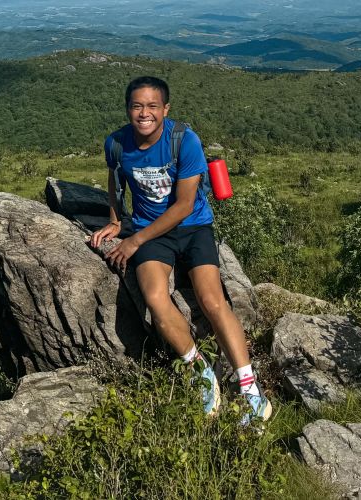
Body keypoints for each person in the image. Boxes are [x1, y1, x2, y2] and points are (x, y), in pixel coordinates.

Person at [91, 76, 271, 424]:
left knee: (212, 300)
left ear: (166, 109)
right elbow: (115, 179)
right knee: (156, 299)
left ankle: (251, 390)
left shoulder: (184, 141)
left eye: (152, 106)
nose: (144, 113)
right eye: (137, 106)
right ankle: (201, 372)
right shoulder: (116, 143)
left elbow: (185, 205)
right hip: (152, 232)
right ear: (127, 108)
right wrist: (115, 219)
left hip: (192, 227)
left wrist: (134, 240)